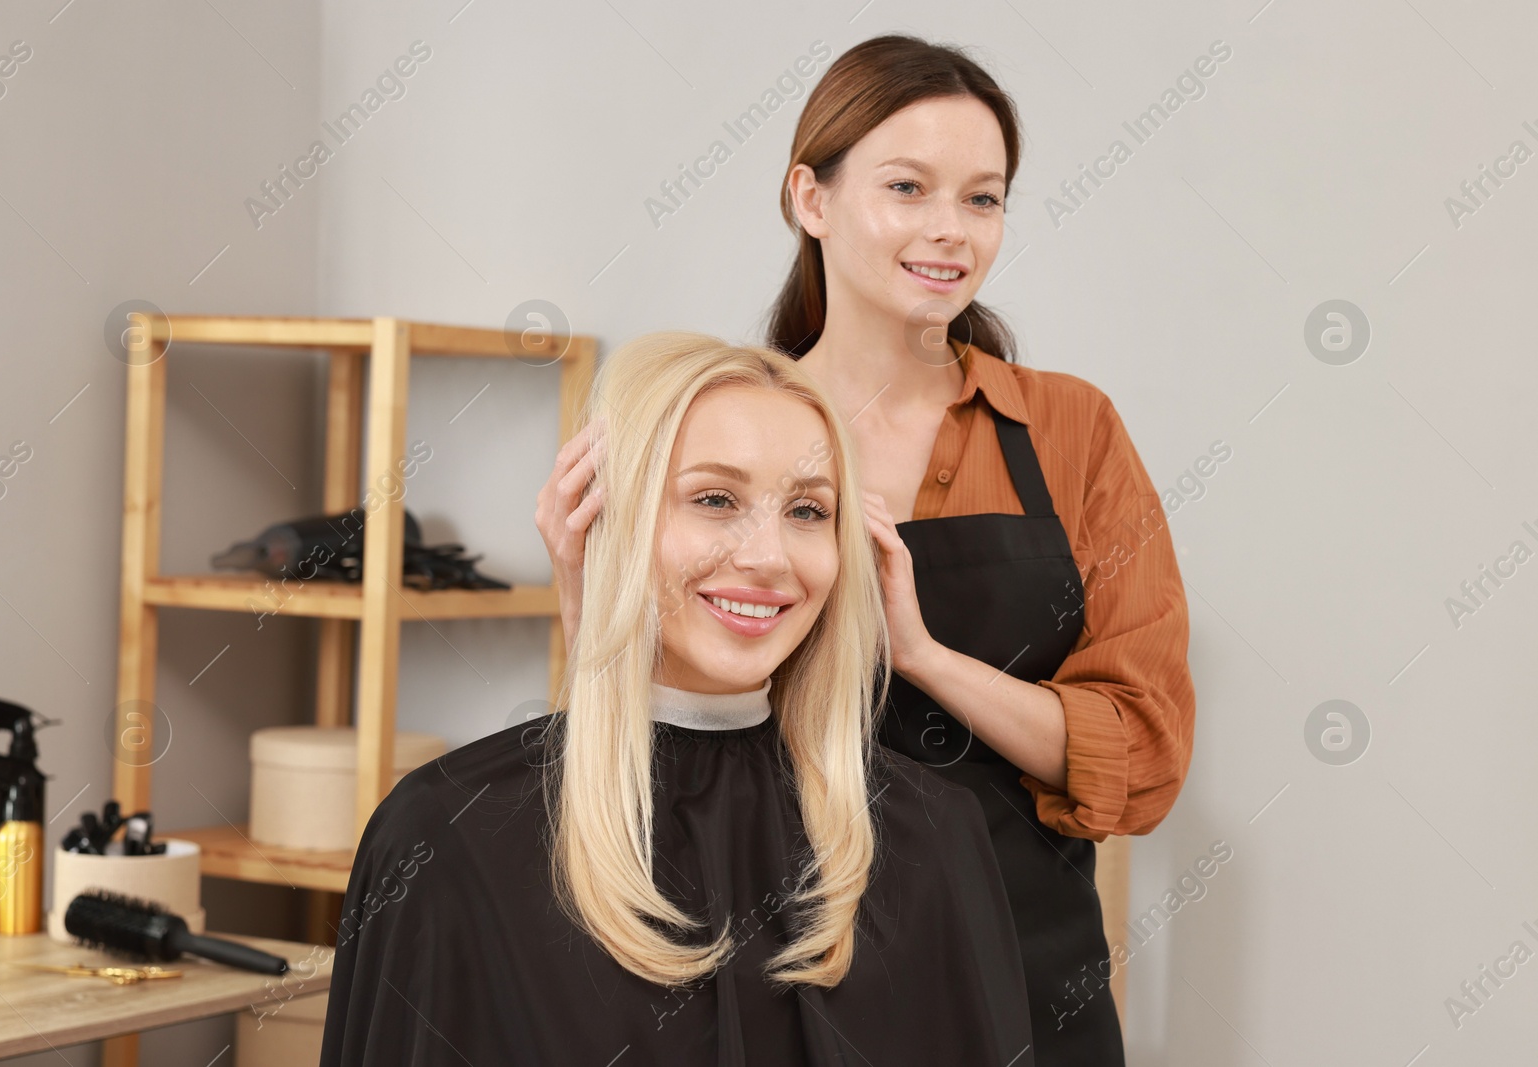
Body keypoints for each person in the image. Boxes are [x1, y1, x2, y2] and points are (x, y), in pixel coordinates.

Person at [539, 36, 1197, 1065]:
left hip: (1022, 970)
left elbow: (1143, 753)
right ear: (810, 197)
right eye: (907, 187)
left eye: (983, 199)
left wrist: (924, 654)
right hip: (776, 962)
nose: (951, 231)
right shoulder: (719, 426)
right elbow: (639, 734)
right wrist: (586, 593)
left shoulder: (1071, 432)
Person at [321, 332, 1036, 1066]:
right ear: (609, 517)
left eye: (808, 510)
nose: (768, 557)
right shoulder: (446, 836)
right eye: (715, 498)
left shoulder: (932, 839)